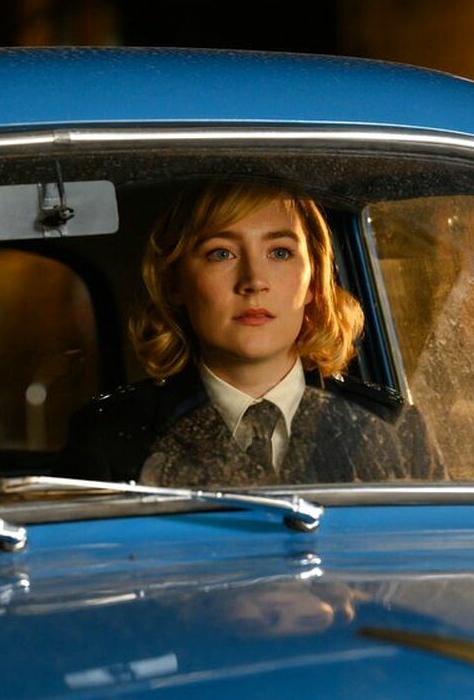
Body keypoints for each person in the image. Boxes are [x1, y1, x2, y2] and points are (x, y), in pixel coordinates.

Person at [57, 181, 443, 486]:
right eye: (221, 253)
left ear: (313, 281)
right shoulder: (109, 437)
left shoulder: (394, 428)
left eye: (280, 252)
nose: (254, 281)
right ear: (175, 283)